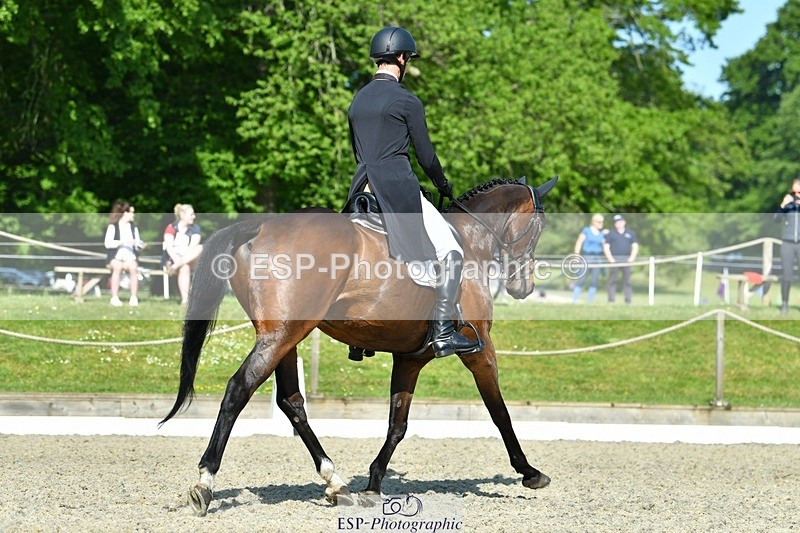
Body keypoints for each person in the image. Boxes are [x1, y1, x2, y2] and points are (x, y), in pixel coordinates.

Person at [346, 26, 481, 358]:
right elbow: (426, 155)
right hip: (396, 188)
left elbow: (356, 149)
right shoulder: (406, 99)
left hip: (361, 187)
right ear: (402, 58)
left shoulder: (358, 98)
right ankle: (444, 332)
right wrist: (443, 185)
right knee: (451, 248)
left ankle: (357, 337)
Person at [104, 201, 145, 307]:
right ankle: (114, 297)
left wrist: (140, 245)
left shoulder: (133, 228)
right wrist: (123, 242)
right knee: (117, 267)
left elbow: (137, 245)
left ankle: (133, 297)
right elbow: (108, 244)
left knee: (133, 267)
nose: (134, 215)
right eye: (132, 212)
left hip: (129, 256)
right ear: (125, 213)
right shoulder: (113, 227)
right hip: (115, 256)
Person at [162, 203, 202, 306]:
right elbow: (169, 247)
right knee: (184, 267)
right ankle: (185, 300)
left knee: (200, 248)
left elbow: (193, 246)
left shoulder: (195, 228)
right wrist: (177, 259)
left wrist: (178, 263)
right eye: (191, 214)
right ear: (182, 215)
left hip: (187, 258)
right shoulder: (171, 227)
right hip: (172, 258)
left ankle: (174, 267)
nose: (194, 216)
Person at [776, 178, 800, 315]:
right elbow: (776, 219)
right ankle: (785, 304)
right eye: (794, 192)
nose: (797, 195)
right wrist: (783, 205)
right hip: (788, 242)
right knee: (787, 275)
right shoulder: (788, 207)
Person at [603, 214, 638, 304]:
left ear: (624, 222)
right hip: (614, 260)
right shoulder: (611, 234)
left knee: (627, 281)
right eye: (616, 222)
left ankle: (628, 301)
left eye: (620, 221)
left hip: (626, 260)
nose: (618, 223)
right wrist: (610, 259)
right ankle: (611, 300)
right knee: (612, 280)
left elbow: (635, 246)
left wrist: (632, 258)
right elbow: (606, 247)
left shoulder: (630, 233)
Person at [572, 214, 606, 303]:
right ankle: (574, 300)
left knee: (594, 280)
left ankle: (589, 302)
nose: (601, 224)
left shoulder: (602, 233)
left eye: (602, 222)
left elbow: (605, 247)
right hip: (587, 257)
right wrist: (576, 256)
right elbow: (579, 243)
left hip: (598, 258)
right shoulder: (586, 231)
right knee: (581, 279)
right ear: (594, 222)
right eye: (599, 222)